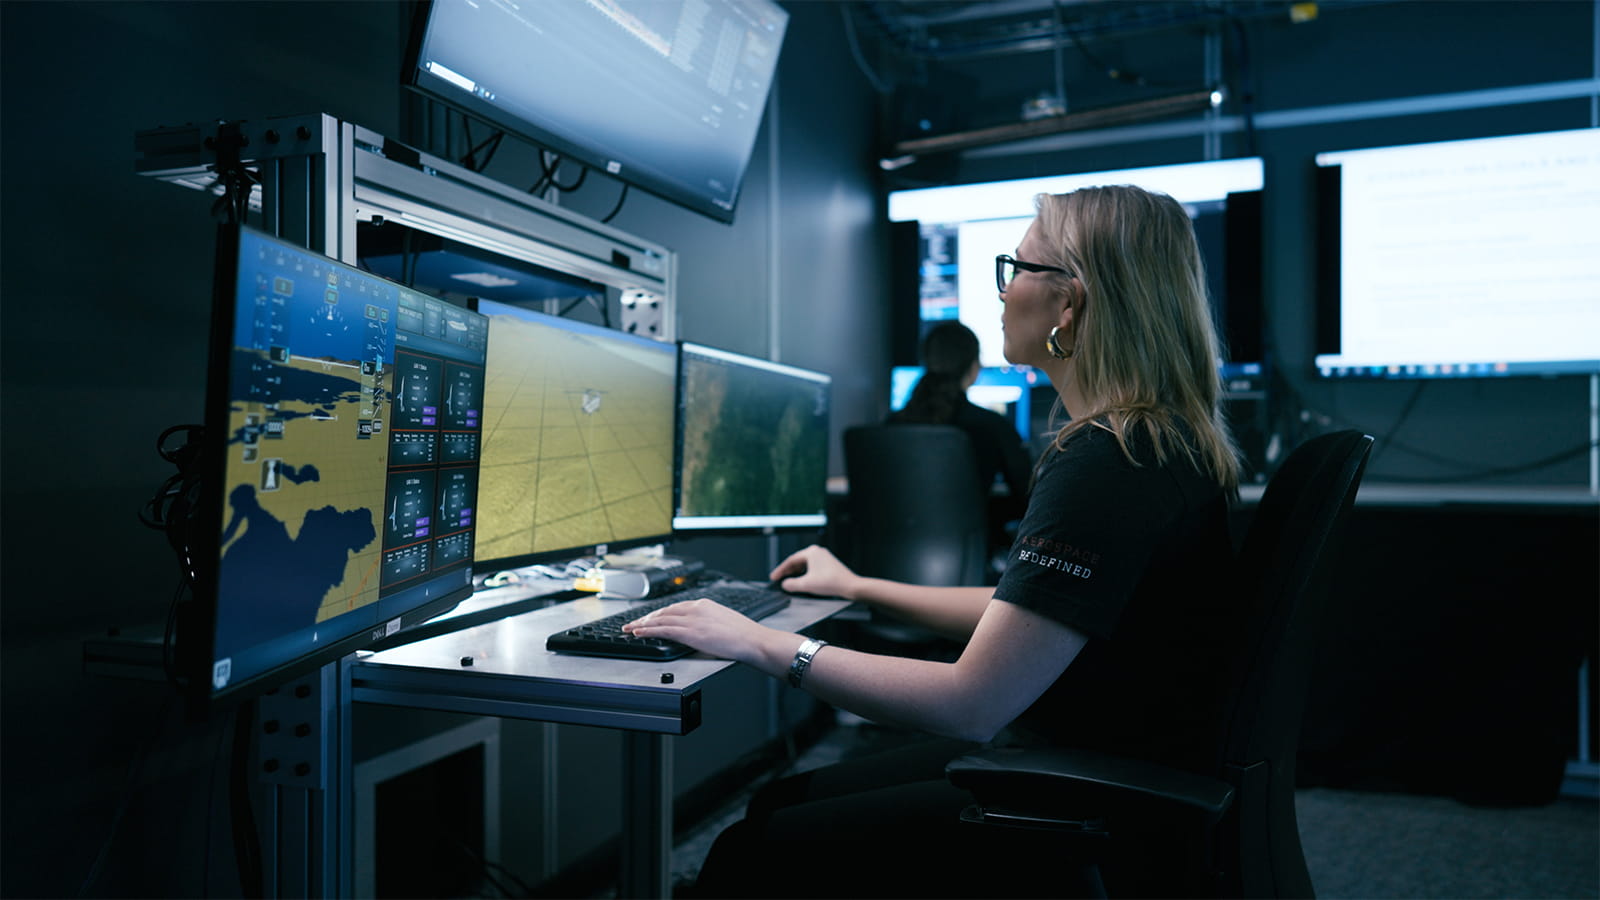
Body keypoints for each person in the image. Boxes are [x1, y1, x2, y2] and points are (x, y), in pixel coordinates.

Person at [624, 185, 1244, 898]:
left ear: (1069, 305)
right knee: (776, 805)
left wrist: (761, 644)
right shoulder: (1161, 443)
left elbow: (969, 703)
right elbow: (1032, 612)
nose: (1003, 294)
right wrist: (857, 586)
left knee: (753, 843)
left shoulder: (1106, 461)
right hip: (1097, 761)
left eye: (1016, 269)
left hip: (1083, 794)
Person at [888, 320, 1033, 562]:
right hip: (965, 564)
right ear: (974, 368)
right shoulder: (993, 426)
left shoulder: (889, 427)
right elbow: (1029, 499)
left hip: (890, 567)